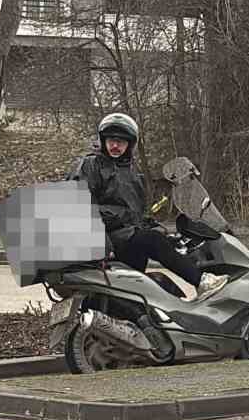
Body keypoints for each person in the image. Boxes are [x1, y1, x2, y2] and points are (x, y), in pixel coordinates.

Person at [70, 113, 226, 300]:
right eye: (111, 140)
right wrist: (107, 238)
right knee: (151, 241)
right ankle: (201, 281)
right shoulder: (91, 165)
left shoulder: (131, 174)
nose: (115, 146)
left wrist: (163, 235)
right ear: (103, 140)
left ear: (130, 144)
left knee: (152, 287)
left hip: (124, 241)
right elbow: (78, 205)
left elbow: (135, 215)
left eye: (121, 141)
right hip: (103, 242)